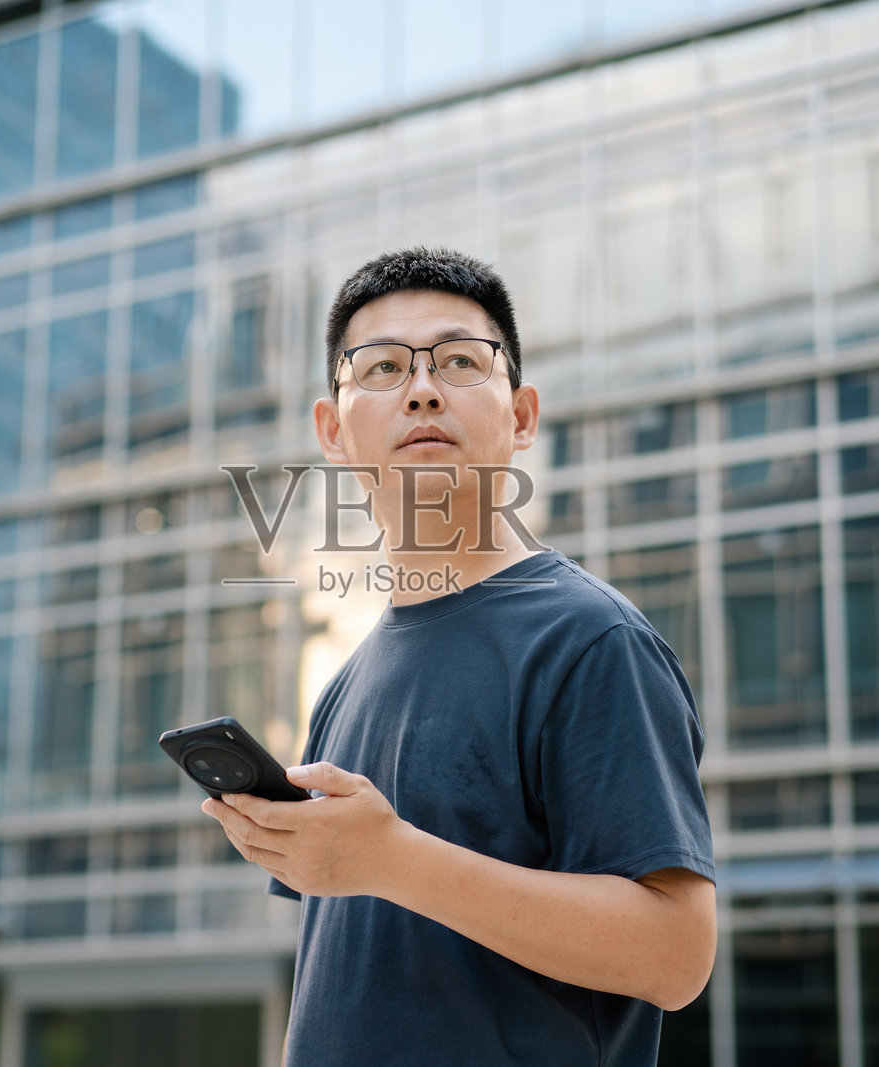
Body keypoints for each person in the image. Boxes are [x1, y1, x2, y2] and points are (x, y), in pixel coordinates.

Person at [203, 247, 715, 1065]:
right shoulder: (343, 684)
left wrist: (393, 858)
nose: (422, 387)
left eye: (460, 361)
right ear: (332, 431)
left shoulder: (590, 640)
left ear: (521, 414)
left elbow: (677, 953)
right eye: (380, 368)